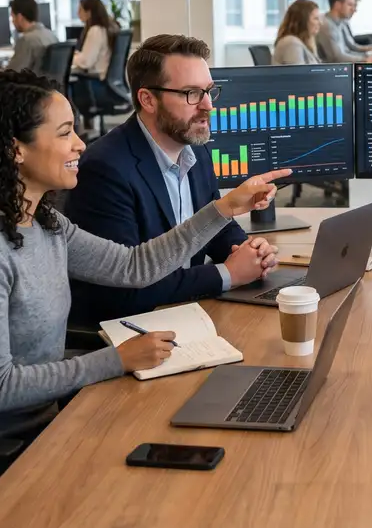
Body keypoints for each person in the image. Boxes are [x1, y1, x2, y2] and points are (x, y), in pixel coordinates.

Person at [0, 70, 291, 520]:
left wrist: (225, 208)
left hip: (43, 424)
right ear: (16, 148)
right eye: (65, 132)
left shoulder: (45, 224)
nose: (80, 145)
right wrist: (117, 360)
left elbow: (135, 266)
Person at [64, 34, 279, 326]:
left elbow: (212, 227)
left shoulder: (194, 149)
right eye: (191, 93)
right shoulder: (105, 169)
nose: (207, 106)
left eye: (208, 91)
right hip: (134, 329)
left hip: (186, 312)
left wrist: (250, 252)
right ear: (148, 99)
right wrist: (226, 274)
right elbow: (121, 288)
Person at [0, 0, 58, 80]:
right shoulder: (51, 35)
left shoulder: (27, 40)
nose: (12, 21)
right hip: (48, 92)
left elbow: (12, 75)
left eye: (12, 17)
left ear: (19, 17)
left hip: (31, 92)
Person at [316, 0, 372, 64]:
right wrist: (365, 59)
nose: (354, 10)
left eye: (354, 6)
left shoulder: (342, 22)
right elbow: (337, 58)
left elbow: (352, 47)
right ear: (337, 5)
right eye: (350, 5)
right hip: (334, 71)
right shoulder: (326, 26)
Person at [71, 0, 118, 78]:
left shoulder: (95, 30)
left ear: (89, 12)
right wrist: (78, 55)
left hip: (94, 81)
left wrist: (69, 58)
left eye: (80, 10)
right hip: (104, 79)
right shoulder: (107, 28)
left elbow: (86, 62)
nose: (78, 13)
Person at [272, 0, 322, 65]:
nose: (321, 23)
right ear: (302, 21)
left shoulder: (306, 42)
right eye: (316, 18)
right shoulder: (291, 43)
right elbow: (299, 74)